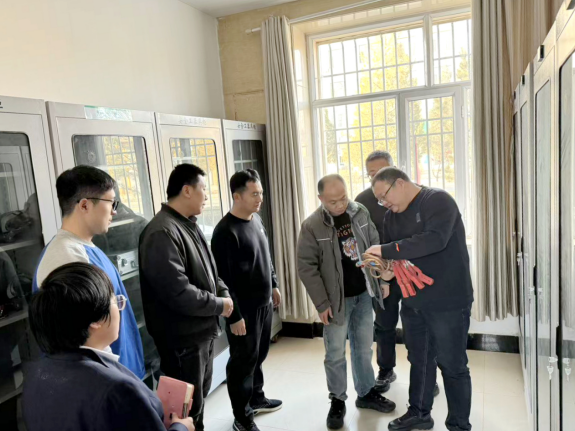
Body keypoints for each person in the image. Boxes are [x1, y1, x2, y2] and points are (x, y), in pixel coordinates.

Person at [23, 262, 195, 431]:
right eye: (116, 301)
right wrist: (181, 427)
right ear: (94, 320)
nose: (120, 310)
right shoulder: (118, 389)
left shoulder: (36, 373)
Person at [365, 167, 473, 431]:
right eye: (379, 200)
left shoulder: (437, 201)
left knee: (452, 364)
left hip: (448, 302)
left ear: (400, 183)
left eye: (384, 196)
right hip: (413, 301)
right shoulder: (391, 217)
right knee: (420, 360)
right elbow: (393, 261)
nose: (383, 203)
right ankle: (419, 413)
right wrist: (384, 272)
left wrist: (384, 249)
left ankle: (459, 425)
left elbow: (434, 240)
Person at [139, 163, 234, 431]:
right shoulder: (162, 232)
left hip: (200, 334)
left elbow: (210, 273)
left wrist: (223, 293)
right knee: (185, 412)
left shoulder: (187, 225)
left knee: (197, 406)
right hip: (182, 341)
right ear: (187, 190)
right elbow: (178, 292)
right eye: (204, 189)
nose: (207, 196)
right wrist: (218, 305)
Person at [297, 174, 396, 430]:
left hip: (363, 294)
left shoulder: (359, 211)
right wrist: (321, 304)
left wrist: (382, 281)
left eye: (343, 197)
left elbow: (375, 245)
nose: (341, 204)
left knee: (363, 348)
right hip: (335, 301)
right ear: (321, 199)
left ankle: (365, 393)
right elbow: (306, 268)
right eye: (333, 201)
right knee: (335, 353)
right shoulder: (312, 226)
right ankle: (337, 400)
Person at [32, 166, 145, 378]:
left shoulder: (85, 247)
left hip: (119, 374)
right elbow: (82, 342)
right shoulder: (66, 257)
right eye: (111, 203)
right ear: (84, 205)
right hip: (104, 380)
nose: (114, 211)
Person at [355, 151, 440, 398]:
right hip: (384, 273)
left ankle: (426, 375)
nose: (376, 178)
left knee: (421, 327)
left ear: (394, 173)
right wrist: (377, 272)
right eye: (371, 174)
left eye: (381, 172)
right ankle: (386, 370)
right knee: (384, 324)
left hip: (414, 272)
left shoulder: (416, 196)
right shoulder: (363, 201)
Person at [211, 169, 282, 431]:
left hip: (264, 304)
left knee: (258, 355)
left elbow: (266, 255)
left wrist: (273, 283)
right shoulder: (225, 232)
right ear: (237, 196)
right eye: (254, 194)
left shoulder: (256, 219)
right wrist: (235, 316)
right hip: (243, 311)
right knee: (242, 362)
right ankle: (241, 418)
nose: (259, 198)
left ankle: (256, 397)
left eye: (260, 193)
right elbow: (223, 281)